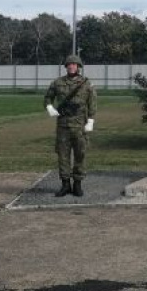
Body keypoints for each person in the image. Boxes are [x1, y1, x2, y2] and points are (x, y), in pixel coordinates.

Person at [44, 54, 97, 197]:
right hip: (63, 126)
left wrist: (91, 121)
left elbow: (92, 103)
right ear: (66, 66)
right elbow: (48, 97)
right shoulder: (57, 83)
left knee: (80, 155)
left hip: (80, 126)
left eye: (74, 64)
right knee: (63, 156)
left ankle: (77, 184)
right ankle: (65, 184)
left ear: (79, 66)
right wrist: (49, 107)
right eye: (69, 64)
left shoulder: (87, 83)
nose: (72, 66)